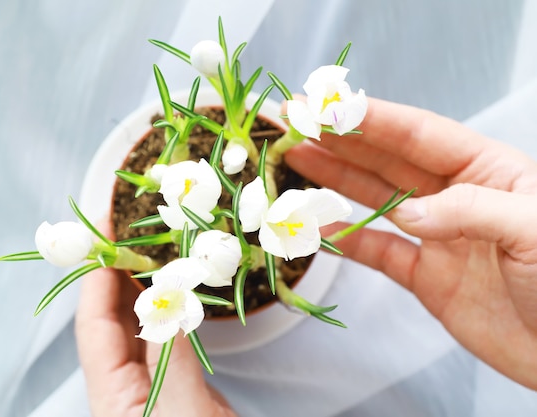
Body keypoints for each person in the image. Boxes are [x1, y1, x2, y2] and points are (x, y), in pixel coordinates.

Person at [75, 97, 537, 416]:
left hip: (241, 228)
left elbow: (301, 217)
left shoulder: (274, 222)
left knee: (256, 233)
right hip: (216, 232)